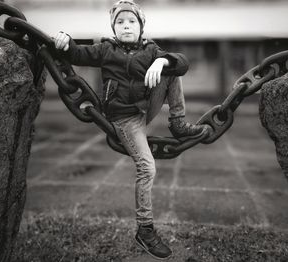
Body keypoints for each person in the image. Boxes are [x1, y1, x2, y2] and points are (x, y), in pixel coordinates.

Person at [54, 0, 208, 259]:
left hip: (145, 107)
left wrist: (161, 62)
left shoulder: (150, 49)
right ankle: (145, 230)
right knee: (147, 167)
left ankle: (178, 124)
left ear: (141, 26)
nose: (126, 26)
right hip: (125, 118)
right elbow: (77, 53)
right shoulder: (105, 49)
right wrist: (65, 40)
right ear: (114, 28)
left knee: (172, 67)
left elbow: (182, 63)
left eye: (132, 21)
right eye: (120, 22)